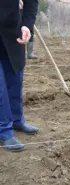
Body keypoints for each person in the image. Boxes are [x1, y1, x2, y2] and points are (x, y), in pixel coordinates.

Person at [0, 0, 40, 152]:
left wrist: (26, 25)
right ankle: (4, 130)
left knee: (15, 78)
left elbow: (31, 1)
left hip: (12, 33)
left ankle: (17, 120)